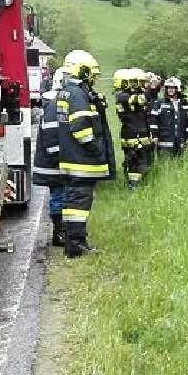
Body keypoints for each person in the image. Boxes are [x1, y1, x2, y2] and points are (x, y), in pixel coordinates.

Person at [56, 49, 110, 257]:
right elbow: (81, 128)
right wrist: (96, 149)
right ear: (83, 70)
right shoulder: (78, 94)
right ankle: (77, 245)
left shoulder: (66, 91)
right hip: (82, 160)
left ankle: (72, 242)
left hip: (71, 158)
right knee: (79, 202)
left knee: (72, 204)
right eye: (92, 74)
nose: (93, 79)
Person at [30, 69, 66, 246]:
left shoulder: (54, 103)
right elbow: (52, 136)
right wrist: (61, 158)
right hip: (54, 164)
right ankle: (59, 233)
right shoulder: (54, 105)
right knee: (59, 197)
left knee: (60, 196)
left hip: (55, 163)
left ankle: (61, 231)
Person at [113, 68, 153, 188]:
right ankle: (133, 186)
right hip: (132, 136)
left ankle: (138, 184)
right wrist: (149, 87)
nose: (141, 85)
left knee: (143, 162)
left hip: (138, 134)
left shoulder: (129, 95)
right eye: (139, 82)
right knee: (134, 163)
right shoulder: (123, 96)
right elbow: (143, 99)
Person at [153, 76, 188, 157]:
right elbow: (154, 120)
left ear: (178, 89)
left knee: (179, 163)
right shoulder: (159, 103)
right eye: (168, 87)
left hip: (180, 141)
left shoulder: (184, 104)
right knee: (165, 163)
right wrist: (154, 136)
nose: (170, 89)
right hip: (164, 141)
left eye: (173, 87)